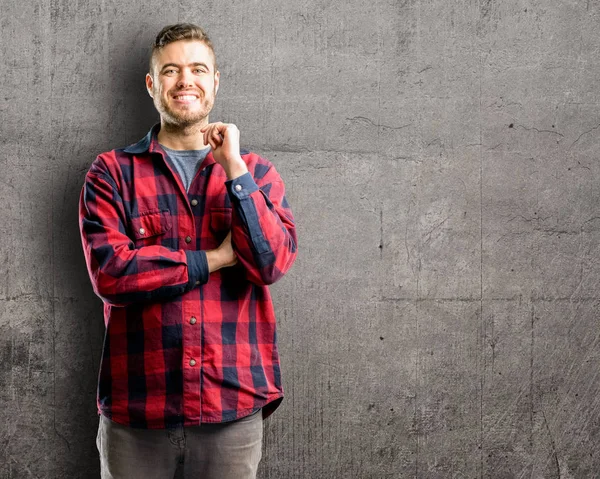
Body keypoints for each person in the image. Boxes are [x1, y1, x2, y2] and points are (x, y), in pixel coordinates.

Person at [78, 23, 297, 479]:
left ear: (215, 81)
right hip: (138, 408)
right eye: (171, 70)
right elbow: (112, 275)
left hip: (231, 406)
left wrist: (233, 168)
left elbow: (272, 262)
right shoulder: (111, 173)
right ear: (152, 84)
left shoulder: (256, 171)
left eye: (198, 69)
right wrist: (212, 259)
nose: (185, 81)